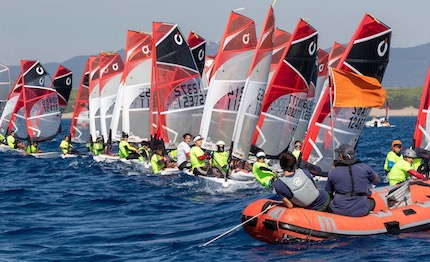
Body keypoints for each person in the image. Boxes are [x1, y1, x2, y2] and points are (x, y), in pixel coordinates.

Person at [325, 144, 379, 217]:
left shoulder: (333, 172)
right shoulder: (365, 168)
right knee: (372, 201)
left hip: (338, 210)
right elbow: (376, 180)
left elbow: (328, 193)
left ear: (340, 156)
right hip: (361, 210)